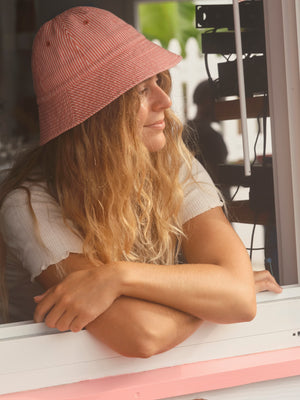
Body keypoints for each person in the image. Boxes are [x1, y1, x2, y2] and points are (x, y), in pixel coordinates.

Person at [0, 7, 281, 358]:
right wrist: (209, 300)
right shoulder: (29, 205)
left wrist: (117, 277)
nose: (164, 101)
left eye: (157, 83)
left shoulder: (169, 163)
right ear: (96, 116)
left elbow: (238, 298)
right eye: (138, 91)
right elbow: (144, 333)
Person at [183, 80, 230, 199]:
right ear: (208, 102)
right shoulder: (211, 136)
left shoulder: (185, 131)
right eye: (221, 102)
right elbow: (219, 177)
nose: (224, 106)